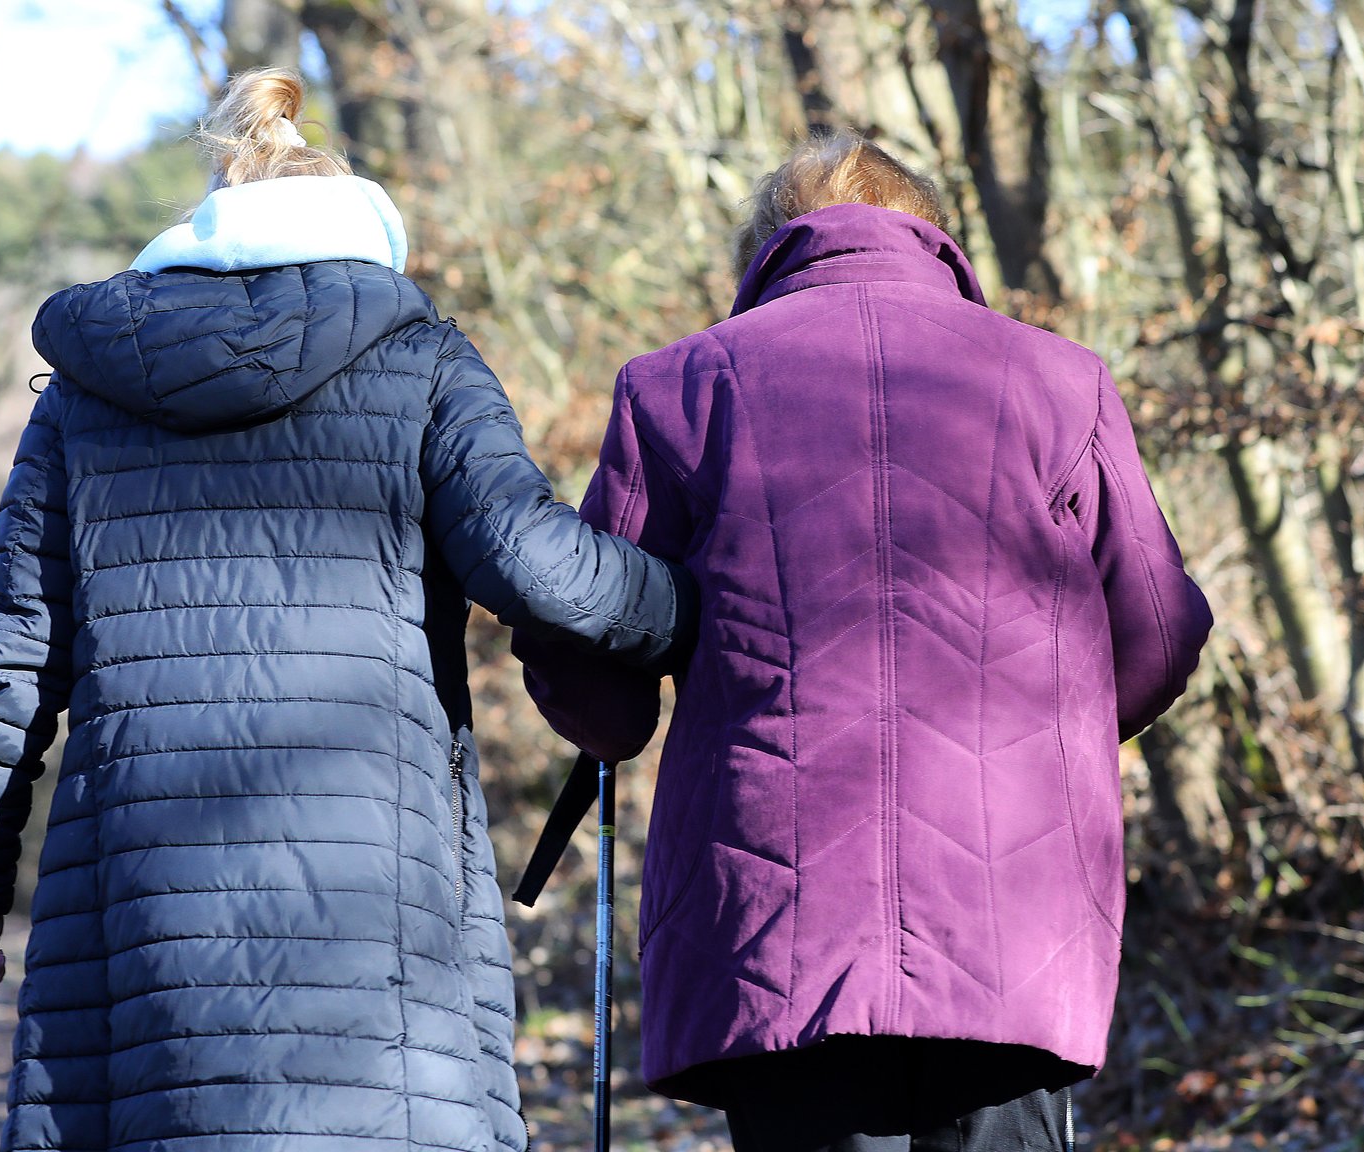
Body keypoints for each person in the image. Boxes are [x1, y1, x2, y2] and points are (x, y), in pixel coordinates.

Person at [0, 68, 692, 1152]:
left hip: (139, 901)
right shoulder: (422, 360)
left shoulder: (87, 396)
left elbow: (11, 661)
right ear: (361, 234)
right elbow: (536, 566)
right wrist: (692, 609)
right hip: (377, 902)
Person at [515, 130, 1213, 1152]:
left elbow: (584, 642)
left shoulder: (679, 387)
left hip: (770, 917)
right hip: (1008, 918)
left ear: (765, 252)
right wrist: (1040, 739)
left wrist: (615, 724)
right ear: (937, 239)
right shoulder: (1060, 381)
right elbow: (1156, 632)